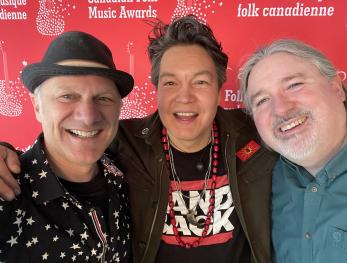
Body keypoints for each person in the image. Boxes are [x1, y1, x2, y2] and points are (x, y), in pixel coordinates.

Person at [0, 16, 277, 263]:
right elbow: (68, 143)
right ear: (156, 90)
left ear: (219, 90)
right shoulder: (125, 143)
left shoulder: (256, 133)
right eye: (170, 83)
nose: (184, 97)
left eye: (200, 82)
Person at [0, 31, 133, 262]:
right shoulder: (7, 195)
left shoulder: (129, 176)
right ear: (37, 106)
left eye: (103, 98)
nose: (88, 117)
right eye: (67, 96)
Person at [239, 39, 347, 263]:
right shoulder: (258, 179)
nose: (281, 109)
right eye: (262, 100)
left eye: (294, 85)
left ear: (336, 88)